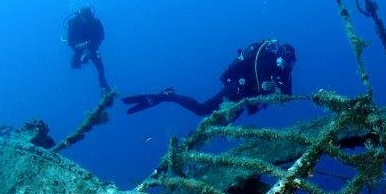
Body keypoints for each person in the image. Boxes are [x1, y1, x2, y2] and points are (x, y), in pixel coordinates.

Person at [123, 39, 296, 117]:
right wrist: (269, 85)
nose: (287, 63)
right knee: (202, 109)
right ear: (280, 53)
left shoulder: (284, 73)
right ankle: (169, 96)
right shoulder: (267, 57)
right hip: (237, 88)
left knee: (221, 123)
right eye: (286, 57)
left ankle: (192, 140)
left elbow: (287, 97)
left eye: (290, 60)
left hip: (244, 99)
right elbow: (255, 76)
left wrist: (275, 86)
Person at [65, 6, 110, 91]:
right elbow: (70, 41)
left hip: (92, 46)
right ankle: (80, 59)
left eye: (88, 17)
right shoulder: (74, 23)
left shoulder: (96, 22)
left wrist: (88, 45)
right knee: (74, 65)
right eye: (84, 17)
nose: (86, 20)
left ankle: (104, 88)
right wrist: (80, 47)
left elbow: (101, 36)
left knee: (100, 67)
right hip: (78, 47)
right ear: (81, 16)